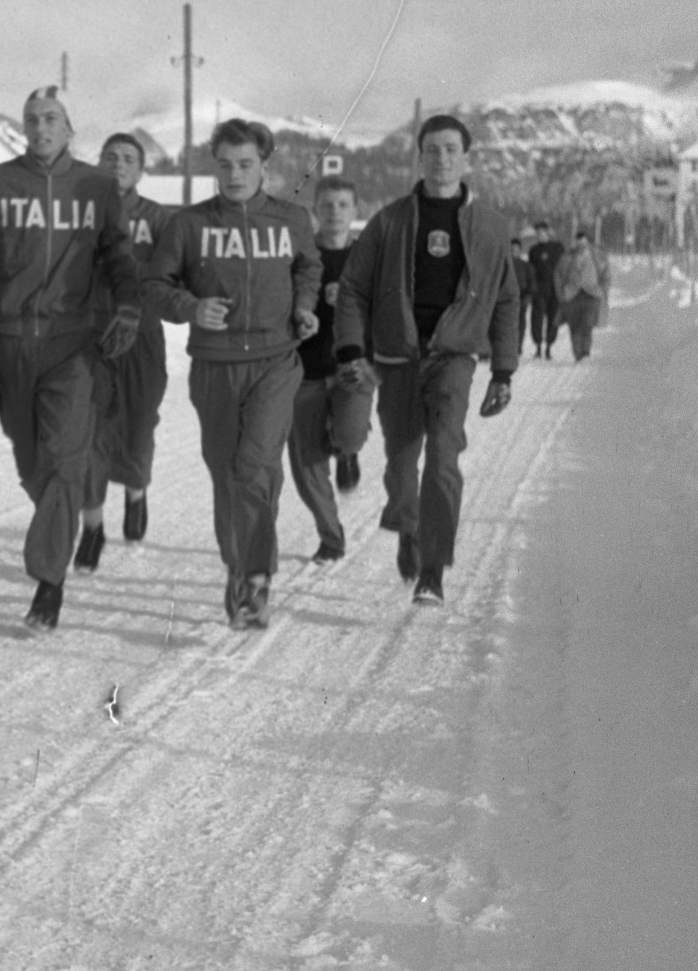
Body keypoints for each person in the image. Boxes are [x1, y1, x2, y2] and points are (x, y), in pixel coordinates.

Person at [0, 85, 142, 632]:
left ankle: (48, 583)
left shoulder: (97, 186)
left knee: (61, 460)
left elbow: (119, 259)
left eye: (51, 118)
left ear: (68, 128)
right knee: (33, 464)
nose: (40, 127)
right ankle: (61, 528)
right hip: (10, 343)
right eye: (32, 118)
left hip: (73, 343)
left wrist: (127, 307)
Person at [333, 113, 519, 607]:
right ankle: (409, 528)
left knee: (442, 458)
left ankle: (432, 569)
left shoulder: (490, 227)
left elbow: (505, 300)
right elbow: (352, 286)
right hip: (397, 357)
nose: (441, 159)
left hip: (453, 357)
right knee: (400, 463)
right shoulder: (390, 220)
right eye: (432, 149)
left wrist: (503, 370)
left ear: (466, 158)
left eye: (451, 150)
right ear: (421, 156)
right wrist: (352, 348)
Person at [145, 120, 321, 628]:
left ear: (265, 166)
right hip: (215, 366)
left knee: (253, 464)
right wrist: (191, 307)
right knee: (230, 474)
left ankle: (256, 578)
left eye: (245, 164)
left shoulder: (291, 219)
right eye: (224, 165)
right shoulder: (189, 225)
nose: (234, 174)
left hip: (275, 361)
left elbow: (308, 269)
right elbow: (155, 285)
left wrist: (305, 307)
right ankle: (238, 566)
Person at [79, 132, 175, 565]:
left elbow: (172, 271)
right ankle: (92, 528)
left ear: (140, 170)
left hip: (141, 338)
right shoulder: (78, 213)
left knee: (137, 431)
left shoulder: (156, 217)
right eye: (110, 156)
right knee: (88, 433)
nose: (118, 163)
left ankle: (136, 492)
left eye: (128, 158)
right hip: (89, 337)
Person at [287, 175, 375, 562]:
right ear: (314, 211)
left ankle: (348, 451)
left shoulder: (369, 261)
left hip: (351, 368)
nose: (334, 213)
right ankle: (331, 536)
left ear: (355, 211)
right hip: (304, 370)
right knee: (306, 465)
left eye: (342, 205)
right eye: (326, 205)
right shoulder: (300, 260)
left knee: (351, 432)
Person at [557, 228, 608, 360]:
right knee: (574, 326)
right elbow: (558, 274)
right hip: (572, 295)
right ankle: (577, 353)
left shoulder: (597, 256)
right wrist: (561, 292)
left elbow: (606, 275)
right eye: (578, 243)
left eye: (584, 243)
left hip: (591, 294)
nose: (581, 246)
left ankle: (585, 351)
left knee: (587, 324)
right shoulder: (567, 257)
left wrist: (602, 289)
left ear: (588, 243)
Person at [524, 221, 564, 358]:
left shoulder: (557, 248)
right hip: (539, 290)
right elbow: (530, 270)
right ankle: (538, 347)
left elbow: (563, 268)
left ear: (548, 232)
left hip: (554, 289)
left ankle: (548, 347)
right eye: (538, 233)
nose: (540, 235)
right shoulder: (534, 250)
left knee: (553, 319)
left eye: (542, 232)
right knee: (537, 319)